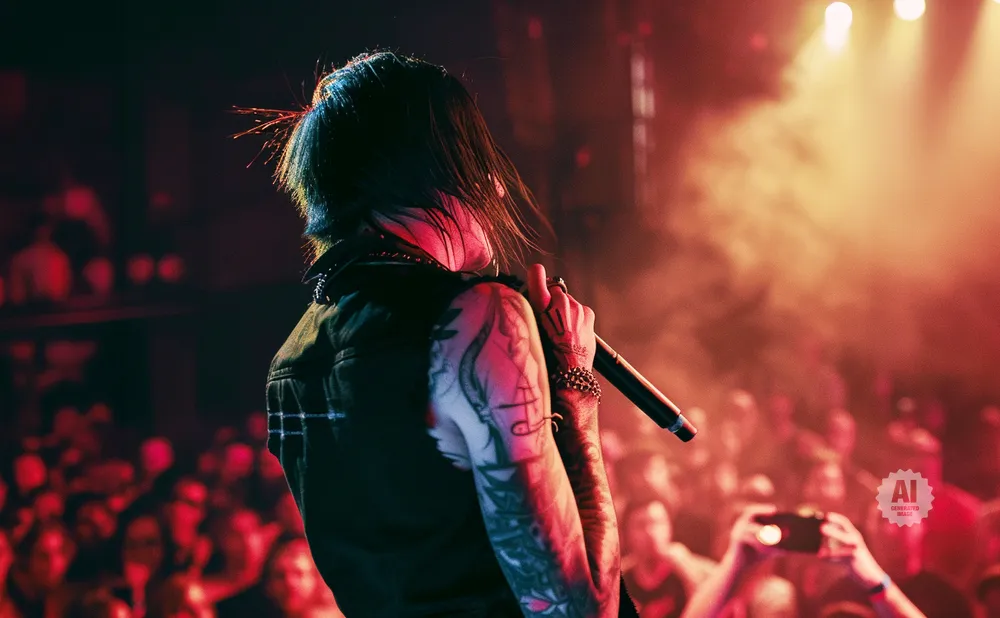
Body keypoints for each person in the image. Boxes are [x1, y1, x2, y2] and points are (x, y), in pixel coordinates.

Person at [258, 51, 634, 616]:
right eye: (476, 166)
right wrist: (575, 383)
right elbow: (576, 607)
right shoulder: (479, 315)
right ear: (431, 170)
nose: (499, 193)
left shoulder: (288, 364)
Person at [680, 506, 926, 618]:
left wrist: (875, 580)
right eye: (881, 520)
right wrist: (734, 563)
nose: (891, 531)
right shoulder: (840, 591)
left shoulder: (941, 595)